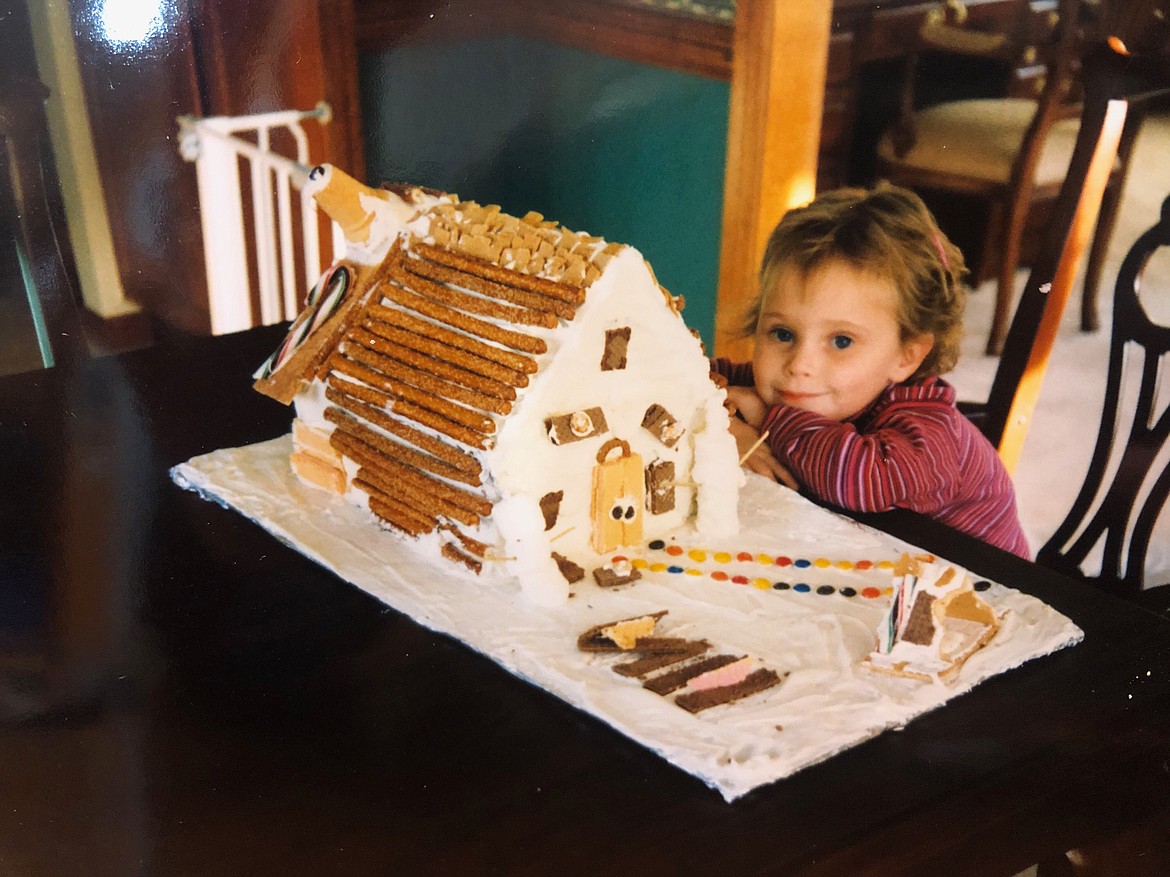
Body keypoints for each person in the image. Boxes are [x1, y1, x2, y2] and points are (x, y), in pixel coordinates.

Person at [713, 184, 1030, 558]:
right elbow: (674, 374)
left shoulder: (931, 433)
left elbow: (863, 479)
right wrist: (726, 427)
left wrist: (767, 419)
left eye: (841, 341)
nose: (799, 364)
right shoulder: (786, 385)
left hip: (979, 593)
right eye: (783, 334)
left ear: (906, 357)